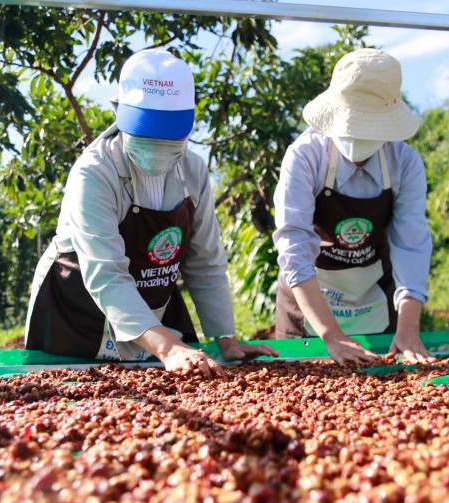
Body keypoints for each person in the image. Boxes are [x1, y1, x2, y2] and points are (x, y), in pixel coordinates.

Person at [25, 48, 277, 377]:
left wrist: (226, 340)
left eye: (169, 135)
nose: (157, 144)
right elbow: (107, 274)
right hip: (77, 310)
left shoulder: (194, 171)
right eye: (145, 131)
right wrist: (168, 348)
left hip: (152, 303)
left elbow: (205, 261)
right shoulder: (95, 171)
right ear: (121, 115)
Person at [273, 48, 435, 368]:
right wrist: (331, 334)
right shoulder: (305, 156)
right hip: (310, 304)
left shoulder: (405, 163)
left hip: (373, 298)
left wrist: (408, 330)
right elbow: (294, 246)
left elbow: (412, 247)